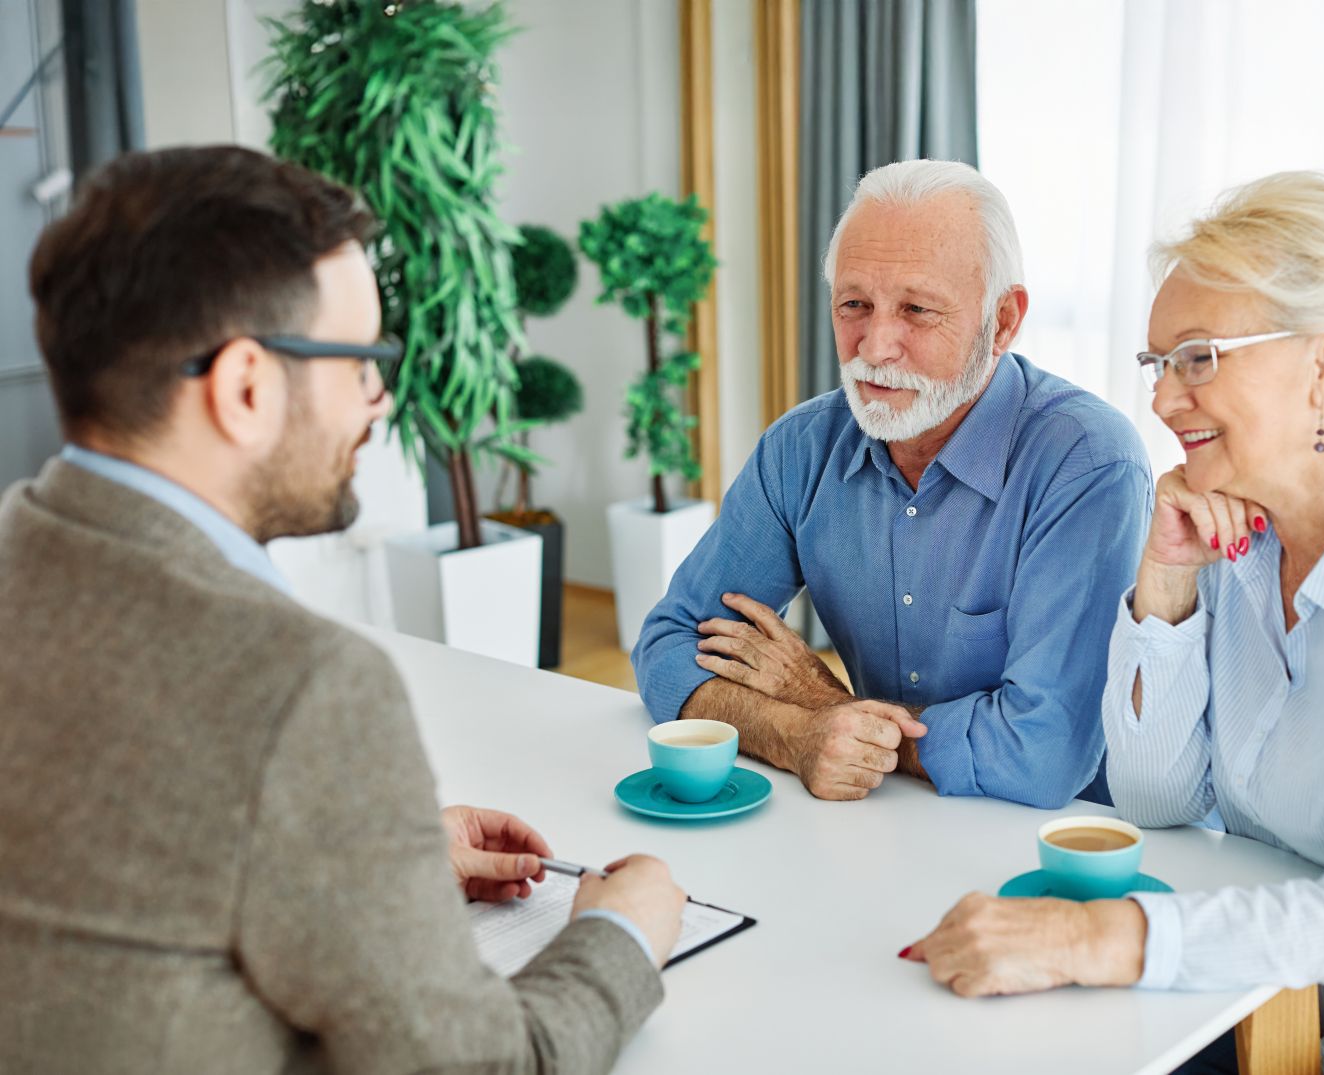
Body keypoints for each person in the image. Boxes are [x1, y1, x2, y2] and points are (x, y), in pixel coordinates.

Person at [0, 145, 687, 1074]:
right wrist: (620, 932)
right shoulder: (301, 684)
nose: (381, 396)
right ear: (246, 387)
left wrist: (362, 856)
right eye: (361, 360)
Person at [901, 171, 1324, 1075]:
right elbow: (1157, 802)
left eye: (1199, 356)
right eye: (1157, 364)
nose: (1160, 400)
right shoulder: (1236, 534)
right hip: (1276, 1006)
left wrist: (1086, 940)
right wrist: (1165, 585)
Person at [632, 160, 1151, 808]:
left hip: (1064, 848)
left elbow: (1040, 756)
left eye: (917, 309)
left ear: (1005, 320)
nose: (875, 346)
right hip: (880, 820)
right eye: (855, 304)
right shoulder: (802, 448)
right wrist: (795, 730)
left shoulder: (1088, 464)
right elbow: (668, 645)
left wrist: (831, 707)